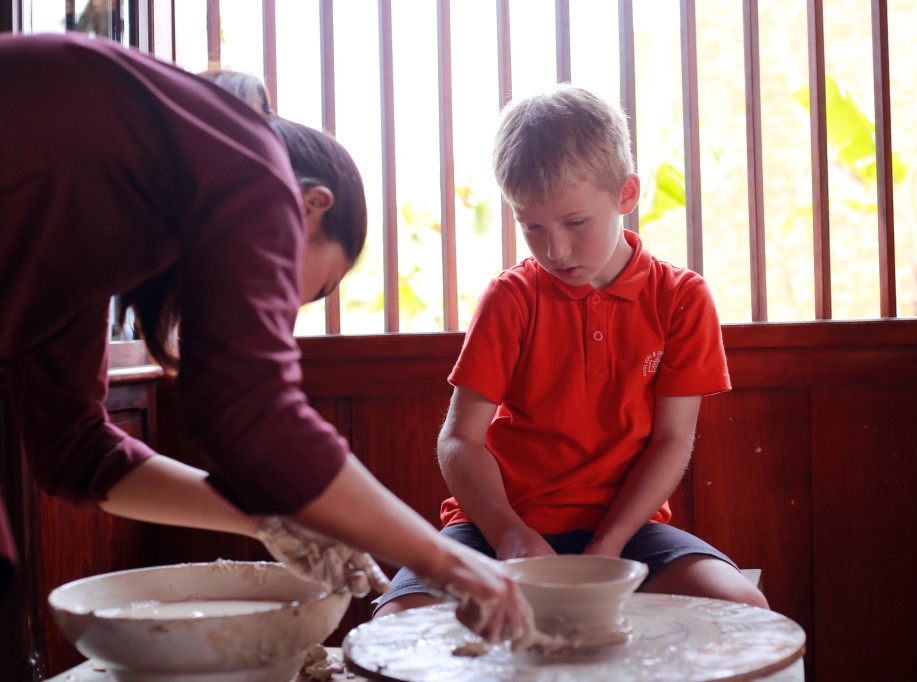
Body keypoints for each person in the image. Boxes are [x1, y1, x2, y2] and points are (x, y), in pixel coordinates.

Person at [0, 32, 533, 645]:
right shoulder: (253, 164)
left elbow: (76, 454)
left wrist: (271, 516)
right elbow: (252, 413)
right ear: (310, 205)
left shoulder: (91, 237)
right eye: (308, 290)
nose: (282, 310)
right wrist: (455, 564)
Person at [375, 84, 768, 618]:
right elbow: (459, 440)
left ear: (626, 195)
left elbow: (673, 440)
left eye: (575, 223)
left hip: (628, 531)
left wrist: (606, 550)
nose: (554, 250)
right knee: (397, 623)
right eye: (531, 226)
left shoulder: (680, 298)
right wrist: (510, 534)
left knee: (743, 607)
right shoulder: (511, 298)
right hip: (496, 529)